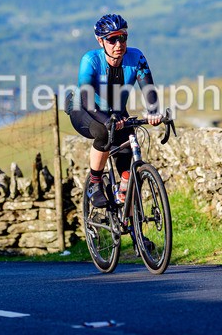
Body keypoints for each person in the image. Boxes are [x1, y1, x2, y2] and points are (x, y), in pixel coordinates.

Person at [69, 13, 161, 210]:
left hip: (116, 111)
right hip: (85, 109)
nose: (118, 43)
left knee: (129, 168)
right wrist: (106, 119)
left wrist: (154, 111)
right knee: (103, 132)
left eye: (123, 37)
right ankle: (95, 183)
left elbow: (148, 88)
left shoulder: (136, 57)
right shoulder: (91, 60)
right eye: (112, 39)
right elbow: (86, 97)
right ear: (100, 41)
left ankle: (133, 227)